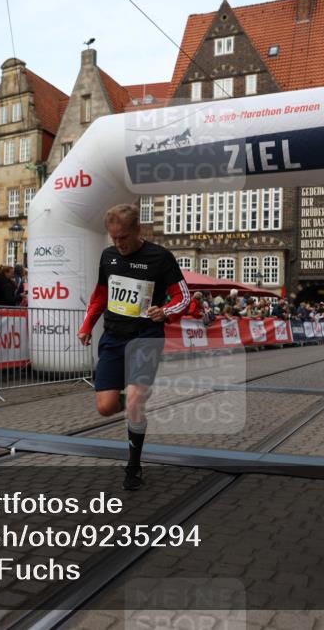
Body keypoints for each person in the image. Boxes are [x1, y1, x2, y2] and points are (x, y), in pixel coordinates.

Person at [77, 203, 190, 490]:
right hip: (114, 337)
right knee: (104, 408)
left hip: (146, 336)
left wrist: (165, 310)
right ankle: (130, 399)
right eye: (113, 238)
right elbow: (100, 295)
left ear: (138, 230)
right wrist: (87, 325)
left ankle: (134, 465)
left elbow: (184, 297)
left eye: (123, 237)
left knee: (135, 401)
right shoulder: (108, 256)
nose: (119, 243)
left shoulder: (160, 257)